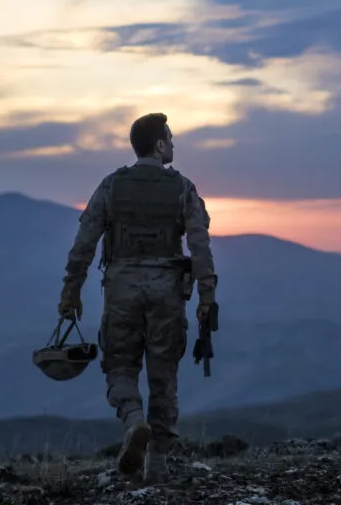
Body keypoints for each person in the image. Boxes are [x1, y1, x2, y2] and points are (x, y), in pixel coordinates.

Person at [57, 112, 218, 483]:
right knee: (164, 377)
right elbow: (200, 246)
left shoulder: (112, 185)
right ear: (159, 144)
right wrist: (206, 298)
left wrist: (71, 292)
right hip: (167, 292)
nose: (174, 144)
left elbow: (84, 243)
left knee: (120, 367)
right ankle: (156, 466)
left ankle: (133, 421)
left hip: (121, 289)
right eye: (170, 138)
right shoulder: (183, 188)